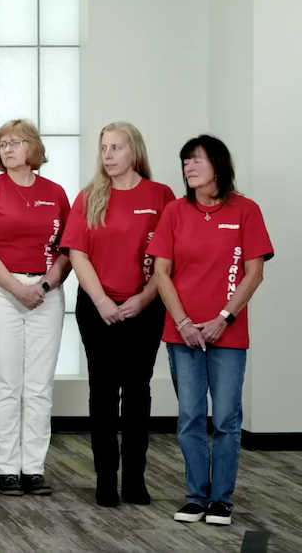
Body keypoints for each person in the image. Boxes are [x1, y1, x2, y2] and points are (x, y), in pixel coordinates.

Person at [149, 135, 273, 527]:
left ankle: (221, 500)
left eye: (196, 160)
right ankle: (195, 496)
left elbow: (255, 273)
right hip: (181, 332)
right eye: (184, 161)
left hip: (227, 332)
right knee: (189, 416)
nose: (188, 167)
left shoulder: (246, 210)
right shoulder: (174, 212)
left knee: (226, 419)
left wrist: (225, 317)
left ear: (217, 165)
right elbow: (161, 272)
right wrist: (183, 321)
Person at [60, 122, 175, 507]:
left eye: (116, 148)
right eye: (104, 148)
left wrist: (144, 298)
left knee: (138, 392)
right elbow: (77, 253)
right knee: (103, 392)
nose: (107, 155)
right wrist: (102, 301)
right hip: (98, 311)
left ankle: (136, 478)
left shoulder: (161, 196)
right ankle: (106, 477)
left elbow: (167, 259)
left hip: (144, 308)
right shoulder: (89, 195)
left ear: (134, 151)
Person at [0, 119, 71, 497]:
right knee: (6, 383)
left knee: (39, 386)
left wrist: (41, 286)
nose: (7, 148)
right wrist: (17, 289)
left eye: (15, 142)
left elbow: (67, 252)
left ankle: (34, 469)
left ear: (33, 147)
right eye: (2, 143)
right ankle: (7, 468)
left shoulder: (56, 192)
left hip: (46, 291)